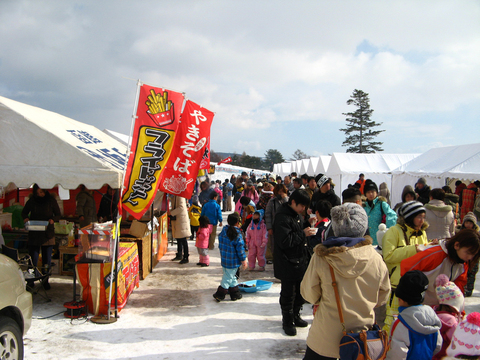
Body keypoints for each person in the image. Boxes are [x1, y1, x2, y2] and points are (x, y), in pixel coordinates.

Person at [301, 202, 390, 359]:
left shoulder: (322, 258)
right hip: (361, 339)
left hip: (325, 337)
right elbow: (382, 296)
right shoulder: (376, 259)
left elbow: (309, 294)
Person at [382, 201, 430, 332]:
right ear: (410, 217)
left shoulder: (422, 233)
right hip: (399, 284)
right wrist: (413, 249)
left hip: (416, 285)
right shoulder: (394, 231)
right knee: (393, 321)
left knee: (414, 322)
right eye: (419, 216)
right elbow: (388, 256)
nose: (422, 220)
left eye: (423, 217)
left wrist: (431, 246)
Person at [273, 189, 316, 336]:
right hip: (287, 262)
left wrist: (306, 224)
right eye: (301, 206)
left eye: (305, 206)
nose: (303, 209)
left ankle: (296, 315)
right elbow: (285, 241)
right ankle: (287, 321)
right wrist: (302, 233)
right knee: (288, 294)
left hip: (299, 260)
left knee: (300, 292)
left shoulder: (296, 214)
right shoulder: (282, 217)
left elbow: (297, 229)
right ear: (293, 202)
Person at [401, 229, 480, 306]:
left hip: (441, 309)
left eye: (474, 255)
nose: (470, 257)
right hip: (418, 306)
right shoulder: (435, 254)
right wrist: (412, 301)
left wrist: (457, 309)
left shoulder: (463, 264)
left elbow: (458, 289)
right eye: (468, 253)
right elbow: (406, 267)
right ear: (457, 245)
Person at [386, 270, 442, 360]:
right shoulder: (432, 319)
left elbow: (397, 354)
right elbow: (437, 346)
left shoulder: (401, 323)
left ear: (401, 298)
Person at [21, 184, 61, 290]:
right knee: (32, 258)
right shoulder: (32, 201)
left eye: (41, 192)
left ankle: (45, 280)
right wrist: (25, 218)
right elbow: (24, 212)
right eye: (37, 193)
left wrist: (53, 219)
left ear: (45, 191)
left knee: (46, 259)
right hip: (34, 232)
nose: (40, 195)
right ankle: (31, 280)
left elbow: (58, 214)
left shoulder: (51, 200)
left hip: (47, 233)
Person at [213, 212, 247, 302]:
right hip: (233, 261)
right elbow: (240, 249)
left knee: (232, 277)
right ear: (237, 222)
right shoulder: (237, 234)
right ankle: (220, 294)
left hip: (224, 259)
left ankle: (235, 293)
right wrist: (243, 260)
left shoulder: (223, 232)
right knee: (228, 277)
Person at [432, 274, 465, 360]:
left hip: (434, 356)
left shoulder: (435, 314)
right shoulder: (451, 321)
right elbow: (457, 342)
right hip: (446, 357)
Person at [363, 179, 397, 246]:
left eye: (372, 191)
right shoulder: (363, 206)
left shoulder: (381, 204)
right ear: (365, 194)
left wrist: (387, 230)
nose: (371, 194)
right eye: (368, 192)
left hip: (380, 241)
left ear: (376, 192)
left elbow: (392, 216)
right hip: (367, 241)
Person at [456, 212, 480, 297]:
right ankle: (462, 288)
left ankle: (469, 290)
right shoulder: (461, 233)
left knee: (471, 274)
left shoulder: (477, 234)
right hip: (464, 256)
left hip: (474, 257)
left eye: (470, 223)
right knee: (462, 273)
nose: (468, 225)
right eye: (467, 223)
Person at [265, 184, 289, 264]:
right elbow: (268, 215)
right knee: (275, 245)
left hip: (286, 227)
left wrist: (285, 198)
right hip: (275, 227)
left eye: (282, 192)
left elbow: (290, 209)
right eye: (279, 192)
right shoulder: (272, 202)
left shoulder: (288, 201)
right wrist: (269, 227)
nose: (280, 194)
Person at [169, 195, 192, 264]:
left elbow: (181, 207)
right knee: (179, 238)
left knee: (183, 239)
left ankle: (186, 256)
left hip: (181, 221)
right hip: (178, 220)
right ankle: (179, 254)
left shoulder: (180, 196)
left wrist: (171, 213)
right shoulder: (175, 195)